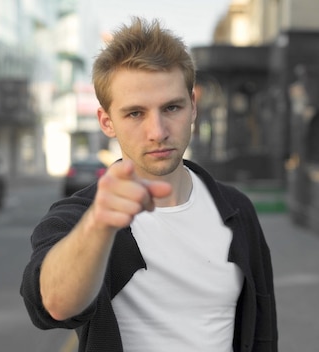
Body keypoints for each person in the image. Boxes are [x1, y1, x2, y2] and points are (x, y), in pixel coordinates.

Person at [20, 17, 278, 352]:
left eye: (172, 107)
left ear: (193, 107)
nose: (157, 130)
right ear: (106, 122)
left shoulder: (236, 210)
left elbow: (262, 333)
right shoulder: (78, 216)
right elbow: (52, 305)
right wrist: (99, 224)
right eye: (135, 113)